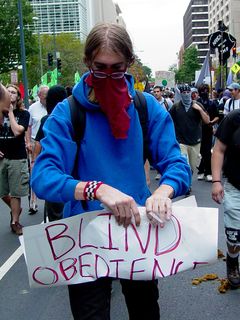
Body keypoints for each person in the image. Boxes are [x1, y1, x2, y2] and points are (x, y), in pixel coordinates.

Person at [32, 23, 191, 320]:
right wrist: (96, 189)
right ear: (87, 64)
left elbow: (176, 163)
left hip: (138, 232)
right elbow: (43, 176)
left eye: (117, 69)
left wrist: (163, 191)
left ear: (130, 63)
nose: (107, 77)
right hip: (85, 235)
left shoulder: (147, 108)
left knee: (145, 313)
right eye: (99, 68)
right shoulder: (67, 112)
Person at [211, 109, 240, 288]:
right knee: (235, 236)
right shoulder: (234, 119)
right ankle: (232, 260)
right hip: (236, 187)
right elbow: (219, 150)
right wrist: (216, 181)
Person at [33, 85, 67, 222]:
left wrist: (35, 163)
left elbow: (39, 143)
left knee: (54, 212)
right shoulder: (71, 116)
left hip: (53, 169)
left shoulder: (47, 120)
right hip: (70, 169)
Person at [0, 84, 30, 235]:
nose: (10, 94)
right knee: (2, 191)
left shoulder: (24, 114)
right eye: (8, 92)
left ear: (18, 97)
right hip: (2, 159)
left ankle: (15, 222)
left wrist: (10, 112)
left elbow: (18, 131)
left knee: (16, 192)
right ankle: (15, 209)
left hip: (17, 158)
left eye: (13, 92)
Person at [169, 84, 210, 178]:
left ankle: (188, 181)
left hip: (195, 141)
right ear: (181, 94)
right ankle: (186, 185)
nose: (186, 94)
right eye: (184, 93)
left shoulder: (197, 105)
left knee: (191, 166)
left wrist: (200, 110)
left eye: (188, 92)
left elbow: (207, 120)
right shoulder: (176, 107)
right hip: (181, 141)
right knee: (184, 163)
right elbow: (169, 121)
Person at [26, 85, 49, 214]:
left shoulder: (53, 106)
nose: (46, 99)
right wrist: (28, 141)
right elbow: (28, 126)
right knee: (33, 170)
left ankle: (48, 198)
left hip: (47, 142)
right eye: (45, 96)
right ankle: (33, 203)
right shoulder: (32, 108)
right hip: (35, 141)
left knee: (47, 170)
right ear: (39, 96)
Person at [197, 84, 219, 182]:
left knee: (206, 151)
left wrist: (212, 122)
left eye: (206, 90)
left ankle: (206, 172)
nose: (204, 92)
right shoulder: (196, 103)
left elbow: (217, 116)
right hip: (198, 131)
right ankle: (203, 171)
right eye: (202, 91)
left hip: (208, 130)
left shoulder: (212, 104)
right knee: (203, 151)